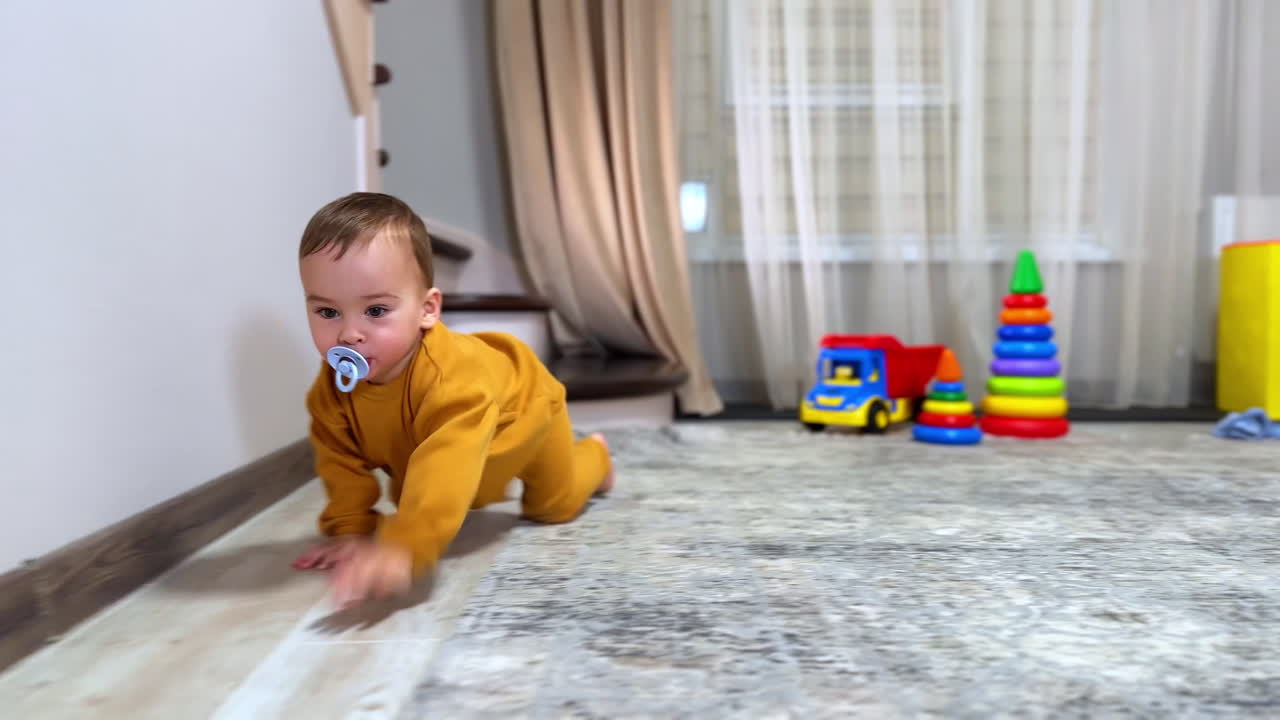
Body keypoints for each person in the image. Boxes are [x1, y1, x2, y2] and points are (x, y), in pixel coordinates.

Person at [290, 192, 614, 608]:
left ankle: (597, 457)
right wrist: (351, 532)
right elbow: (341, 461)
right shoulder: (333, 390)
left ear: (427, 309)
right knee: (419, 490)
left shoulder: (454, 384)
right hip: (439, 439)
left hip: (523, 410)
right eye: (328, 313)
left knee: (553, 505)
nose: (349, 334)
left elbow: (445, 464)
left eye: (375, 311)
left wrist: (404, 546)